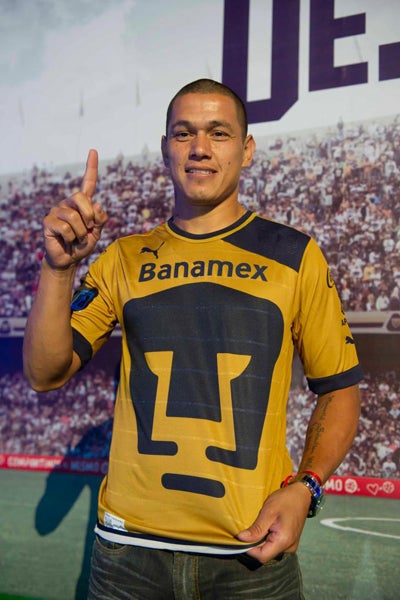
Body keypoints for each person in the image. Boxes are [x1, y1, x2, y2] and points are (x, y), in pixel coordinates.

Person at [23, 79, 362, 599]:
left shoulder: (295, 255)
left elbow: (339, 387)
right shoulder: (122, 258)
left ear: (247, 149)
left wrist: (306, 488)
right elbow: (45, 372)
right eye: (184, 133)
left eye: (218, 133)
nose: (200, 147)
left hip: (250, 553)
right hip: (129, 555)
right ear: (166, 149)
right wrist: (58, 268)